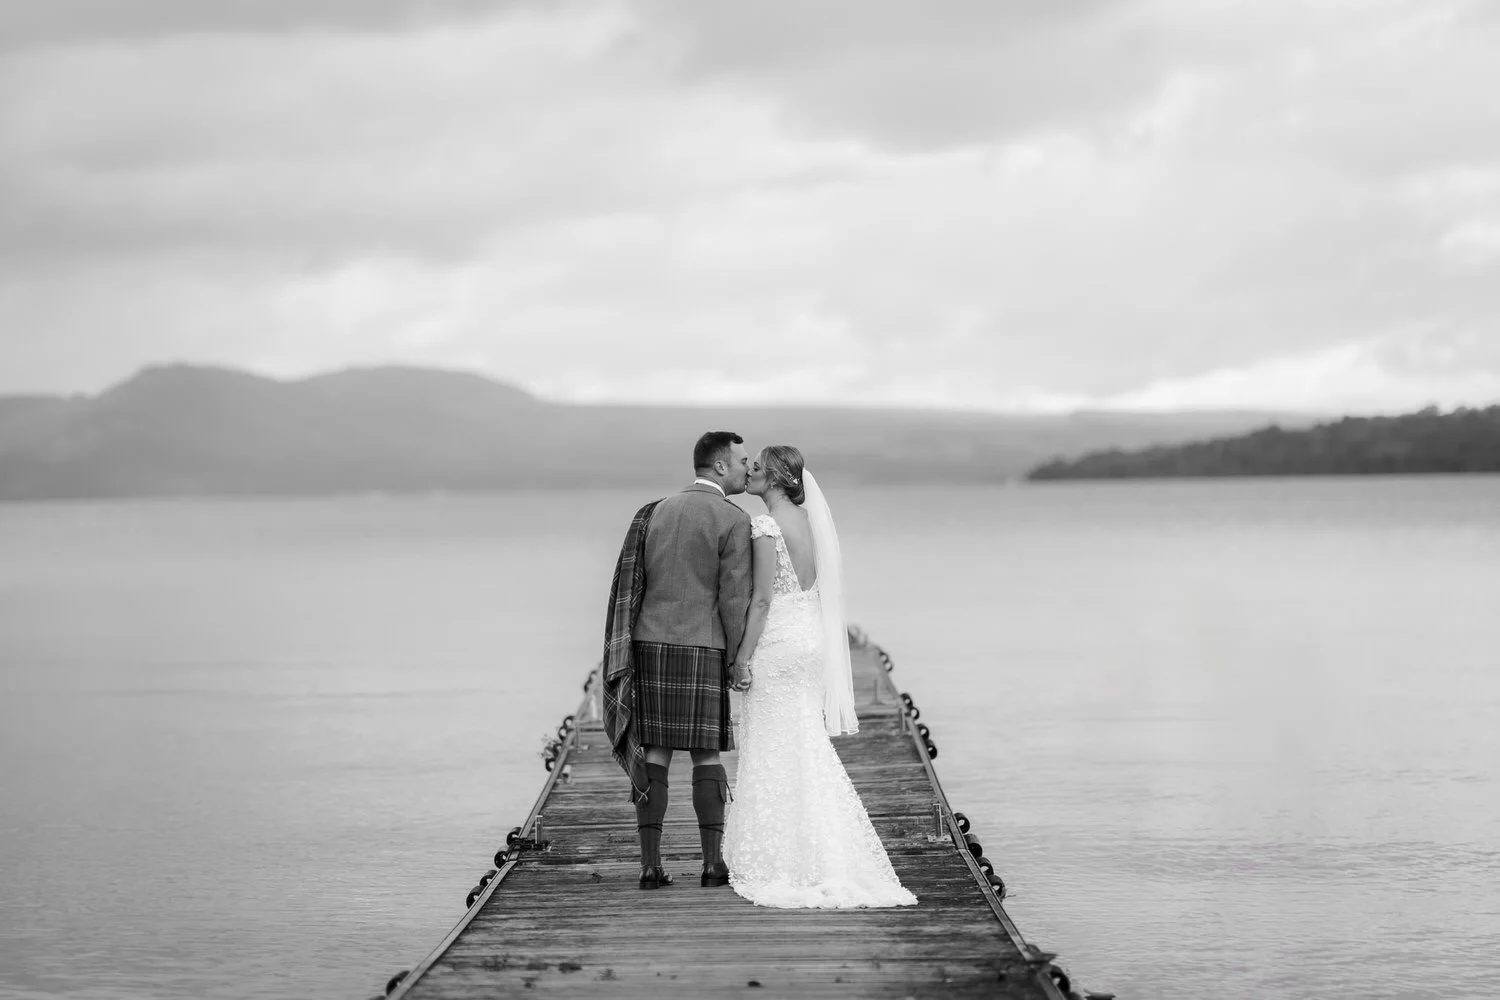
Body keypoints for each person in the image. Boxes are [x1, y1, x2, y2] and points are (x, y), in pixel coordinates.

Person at [721, 445, 917, 908]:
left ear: (773, 479)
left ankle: (782, 855)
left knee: (772, 743)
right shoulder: (811, 525)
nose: (749, 473)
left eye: (756, 470)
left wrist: (742, 658)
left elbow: (764, 600)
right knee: (803, 741)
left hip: (778, 645)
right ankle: (822, 850)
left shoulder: (766, 525)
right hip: (809, 641)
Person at [601, 431, 752, 889]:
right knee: (706, 754)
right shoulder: (734, 519)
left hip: (649, 645)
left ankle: (650, 867)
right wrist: (738, 655)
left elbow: (635, 582)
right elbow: (734, 599)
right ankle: (712, 866)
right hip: (703, 646)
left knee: (657, 753)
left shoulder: (655, 511)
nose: (749, 468)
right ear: (720, 466)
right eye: (743, 460)